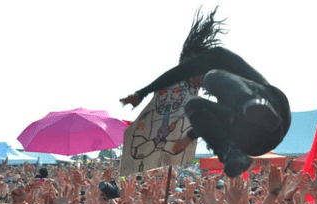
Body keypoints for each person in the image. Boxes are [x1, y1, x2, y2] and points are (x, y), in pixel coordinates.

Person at [120, 7, 291, 178]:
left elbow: (176, 73)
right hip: (254, 143)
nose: (192, 81)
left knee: (212, 77)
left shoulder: (218, 57)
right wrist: (191, 136)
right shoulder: (225, 93)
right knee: (194, 105)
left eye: (191, 74)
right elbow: (214, 122)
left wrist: (143, 92)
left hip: (276, 113)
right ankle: (231, 154)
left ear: (197, 60)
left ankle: (254, 106)